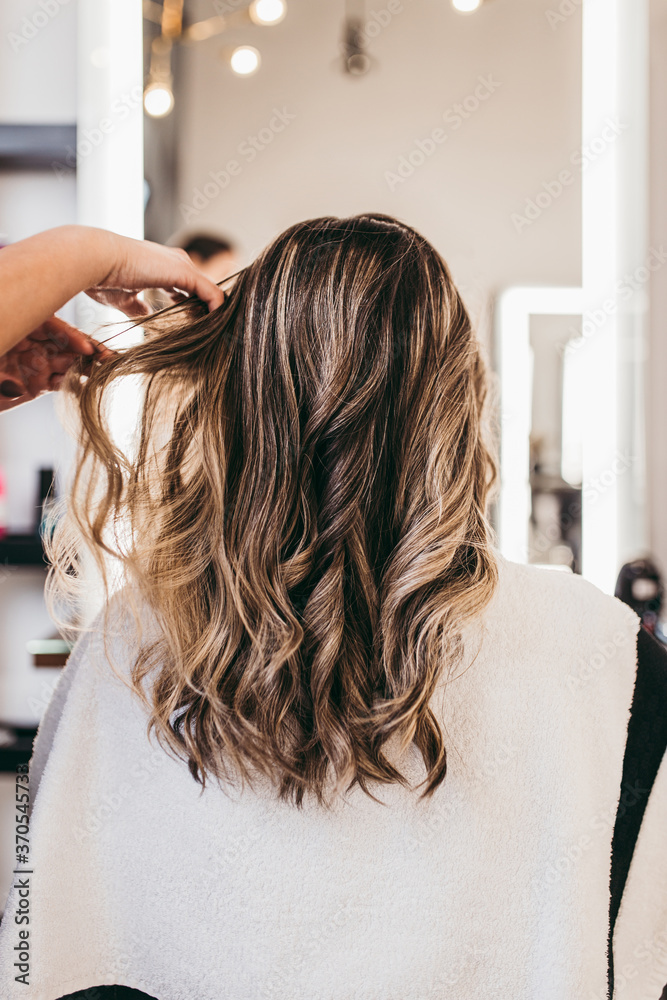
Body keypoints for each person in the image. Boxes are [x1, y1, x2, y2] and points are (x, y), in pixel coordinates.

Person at [0, 215, 665, 1000]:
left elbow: (41, 955)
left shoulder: (131, 646)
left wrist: (75, 252)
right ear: (457, 401)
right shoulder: (602, 657)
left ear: (238, 404)